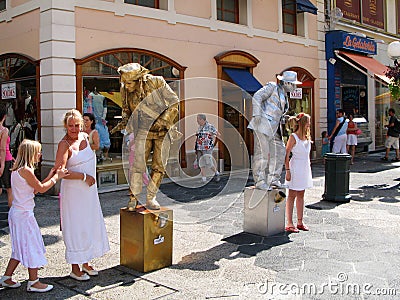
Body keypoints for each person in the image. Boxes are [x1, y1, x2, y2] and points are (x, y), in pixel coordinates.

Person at [1, 139, 69, 292]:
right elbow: (41, 188)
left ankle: (7, 277)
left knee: (19, 247)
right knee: (32, 245)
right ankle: (34, 281)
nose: (40, 154)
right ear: (31, 153)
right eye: (38, 151)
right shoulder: (26, 170)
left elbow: (35, 189)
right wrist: (56, 177)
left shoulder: (18, 170)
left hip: (18, 213)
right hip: (24, 215)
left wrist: (51, 174)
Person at [110, 63, 180, 211]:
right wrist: (124, 122)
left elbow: (174, 102)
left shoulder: (157, 82)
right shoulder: (124, 89)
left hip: (162, 131)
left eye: (129, 83)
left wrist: (164, 120)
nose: (126, 86)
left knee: (159, 166)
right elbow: (126, 109)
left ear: (139, 80)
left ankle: (151, 197)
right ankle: (134, 198)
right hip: (142, 130)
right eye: (124, 83)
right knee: (138, 165)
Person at [54, 109, 110, 281]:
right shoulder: (64, 144)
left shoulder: (85, 137)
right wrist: (84, 177)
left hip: (89, 192)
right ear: (65, 126)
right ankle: (75, 267)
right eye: (70, 126)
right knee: (75, 226)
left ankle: (86, 261)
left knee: (89, 223)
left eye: (77, 125)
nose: (74, 129)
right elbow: (60, 170)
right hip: (73, 194)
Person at [248, 70, 301, 190]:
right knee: (262, 154)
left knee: (280, 152)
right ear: (287, 83)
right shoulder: (272, 87)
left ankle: (273, 179)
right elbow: (257, 96)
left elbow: (277, 113)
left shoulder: (285, 96)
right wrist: (256, 114)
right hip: (262, 125)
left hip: (275, 129)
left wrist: (287, 118)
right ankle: (260, 181)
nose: (295, 87)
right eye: (294, 84)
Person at [284, 113, 313, 233]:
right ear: (303, 123)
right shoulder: (293, 137)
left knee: (301, 194)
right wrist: (287, 170)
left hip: (304, 168)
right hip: (295, 167)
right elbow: (286, 154)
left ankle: (300, 221)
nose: (309, 124)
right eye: (308, 122)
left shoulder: (307, 137)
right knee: (292, 195)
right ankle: (290, 223)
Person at [195, 114, 221, 183]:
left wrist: (213, 144)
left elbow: (218, 134)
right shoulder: (200, 127)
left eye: (198, 119)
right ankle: (204, 179)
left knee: (208, 162)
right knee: (201, 163)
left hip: (207, 148)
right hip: (199, 148)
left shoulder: (210, 126)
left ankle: (216, 173)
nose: (197, 121)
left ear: (202, 119)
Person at [0, 105, 13, 207]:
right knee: (9, 188)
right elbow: (3, 148)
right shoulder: (4, 130)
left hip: (7, 158)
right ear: (4, 116)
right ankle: (12, 216)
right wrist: (2, 164)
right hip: (5, 160)